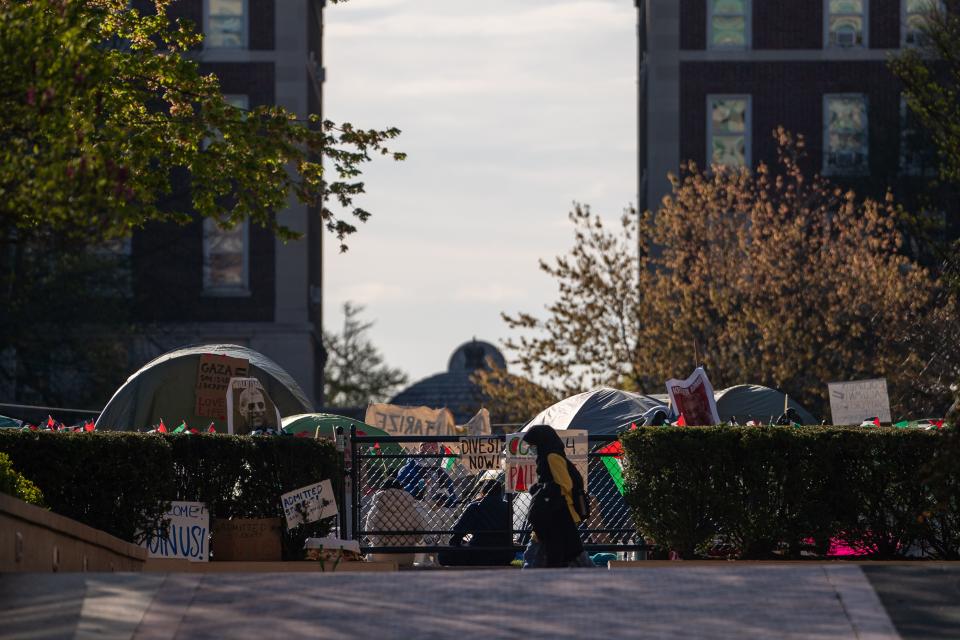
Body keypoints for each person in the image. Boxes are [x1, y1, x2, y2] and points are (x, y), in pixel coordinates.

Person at [522, 424, 586, 567]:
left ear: (540, 442)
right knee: (570, 551)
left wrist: (542, 490)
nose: (531, 448)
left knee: (540, 549)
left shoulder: (551, 456)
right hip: (557, 510)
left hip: (559, 510)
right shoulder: (549, 455)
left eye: (533, 444)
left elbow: (565, 484)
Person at [438, 479, 514, 567]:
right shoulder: (507, 507)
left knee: (443, 555)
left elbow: (458, 531)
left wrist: (454, 543)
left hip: (479, 552)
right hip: (504, 552)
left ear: (483, 492)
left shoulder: (475, 506)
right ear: (500, 492)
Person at [364, 478, 425, 567]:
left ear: (382, 489)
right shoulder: (412, 509)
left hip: (381, 554)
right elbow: (419, 535)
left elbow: (369, 531)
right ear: (401, 488)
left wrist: (381, 542)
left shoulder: (376, 509)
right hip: (406, 555)